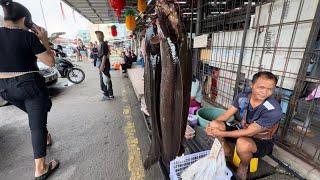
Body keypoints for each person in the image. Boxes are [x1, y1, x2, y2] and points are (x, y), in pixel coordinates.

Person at [0, 1, 59, 179]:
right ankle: (40, 168)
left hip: (4, 89)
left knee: (36, 117)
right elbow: (50, 62)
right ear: (25, 19)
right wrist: (44, 40)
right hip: (29, 84)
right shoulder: (27, 36)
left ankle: (46, 136)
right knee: (36, 125)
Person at [206, 71, 282, 180]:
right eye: (261, 87)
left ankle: (244, 165)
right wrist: (210, 127)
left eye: (270, 89)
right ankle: (228, 152)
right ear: (252, 85)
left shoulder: (273, 109)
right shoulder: (243, 97)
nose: (265, 92)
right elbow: (226, 115)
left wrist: (222, 133)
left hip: (262, 140)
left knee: (243, 142)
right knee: (215, 124)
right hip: (243, 129)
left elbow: (250, 132)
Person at [95, 31, 114, 100]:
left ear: (103, 36)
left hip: (104, 64)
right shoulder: (101, 44)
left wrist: (102, 66)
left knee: (104, 80)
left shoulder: (103, 44)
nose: (98, 37)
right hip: (104, 64)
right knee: (107, 79)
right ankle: (110, 94)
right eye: (97, 36)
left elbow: (104, 56)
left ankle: (106, 95)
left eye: (100, 35)